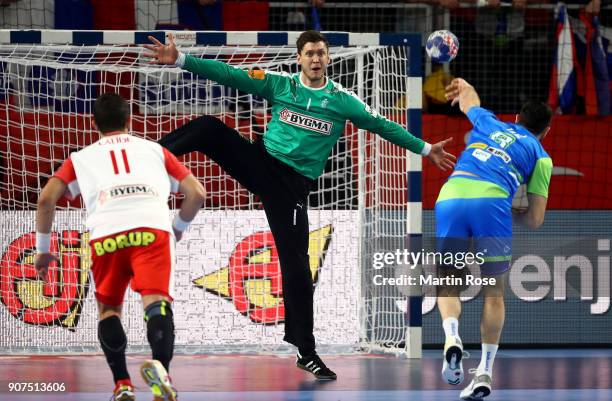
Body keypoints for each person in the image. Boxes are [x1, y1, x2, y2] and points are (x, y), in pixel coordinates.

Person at [144, 30, 456, 380]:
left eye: (321, 53)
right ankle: (143, 156)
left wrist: (427, 149)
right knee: (208, 127)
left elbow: (383, 126)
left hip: (291, 188)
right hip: (261, 162)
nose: (316, 59)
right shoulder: (281, 85)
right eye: (310, 53)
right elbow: (230, 75)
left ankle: (305, 352)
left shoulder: (342, 101)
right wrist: (182, 59)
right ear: (299, 58)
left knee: (297, 270)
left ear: (328, 58)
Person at [34, 93, 206, 401]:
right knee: (156, 304)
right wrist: (178, 228)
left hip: (107, 233)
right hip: (152, 230)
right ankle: (161, 372)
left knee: (109, 310)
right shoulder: (156, 150)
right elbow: (197, 193)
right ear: (130, 120)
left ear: (94, 124)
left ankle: (122, 384)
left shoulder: (80, 158)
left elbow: (46, 199)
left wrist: (43, 249)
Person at [437, 78, 552, 399]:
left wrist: (462, 84)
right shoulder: (541, 155)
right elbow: (535, 220)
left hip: (453, 193)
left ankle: (451, 337)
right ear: (546, 131)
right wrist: (514, 210)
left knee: (448, 281)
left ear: (516, 118)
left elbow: (469, 101)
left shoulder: (490, 122)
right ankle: (484, 371)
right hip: (492, 203)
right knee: (494, 293)